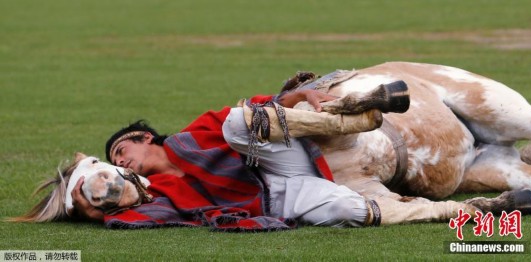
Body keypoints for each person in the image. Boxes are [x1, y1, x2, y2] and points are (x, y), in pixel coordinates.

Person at [71, 89, 386, 228]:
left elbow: (258, 110)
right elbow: (141, 219)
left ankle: (348, 122)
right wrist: (96, 214)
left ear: (145, 137)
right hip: (280, 200)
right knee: (351, 209)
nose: (121, 163)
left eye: (121, 151)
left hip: (280, 161)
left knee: (234, 122)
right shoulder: (157, 192)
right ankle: (431, 209)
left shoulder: (192, 134)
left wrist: (302, 95)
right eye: (116, 162)